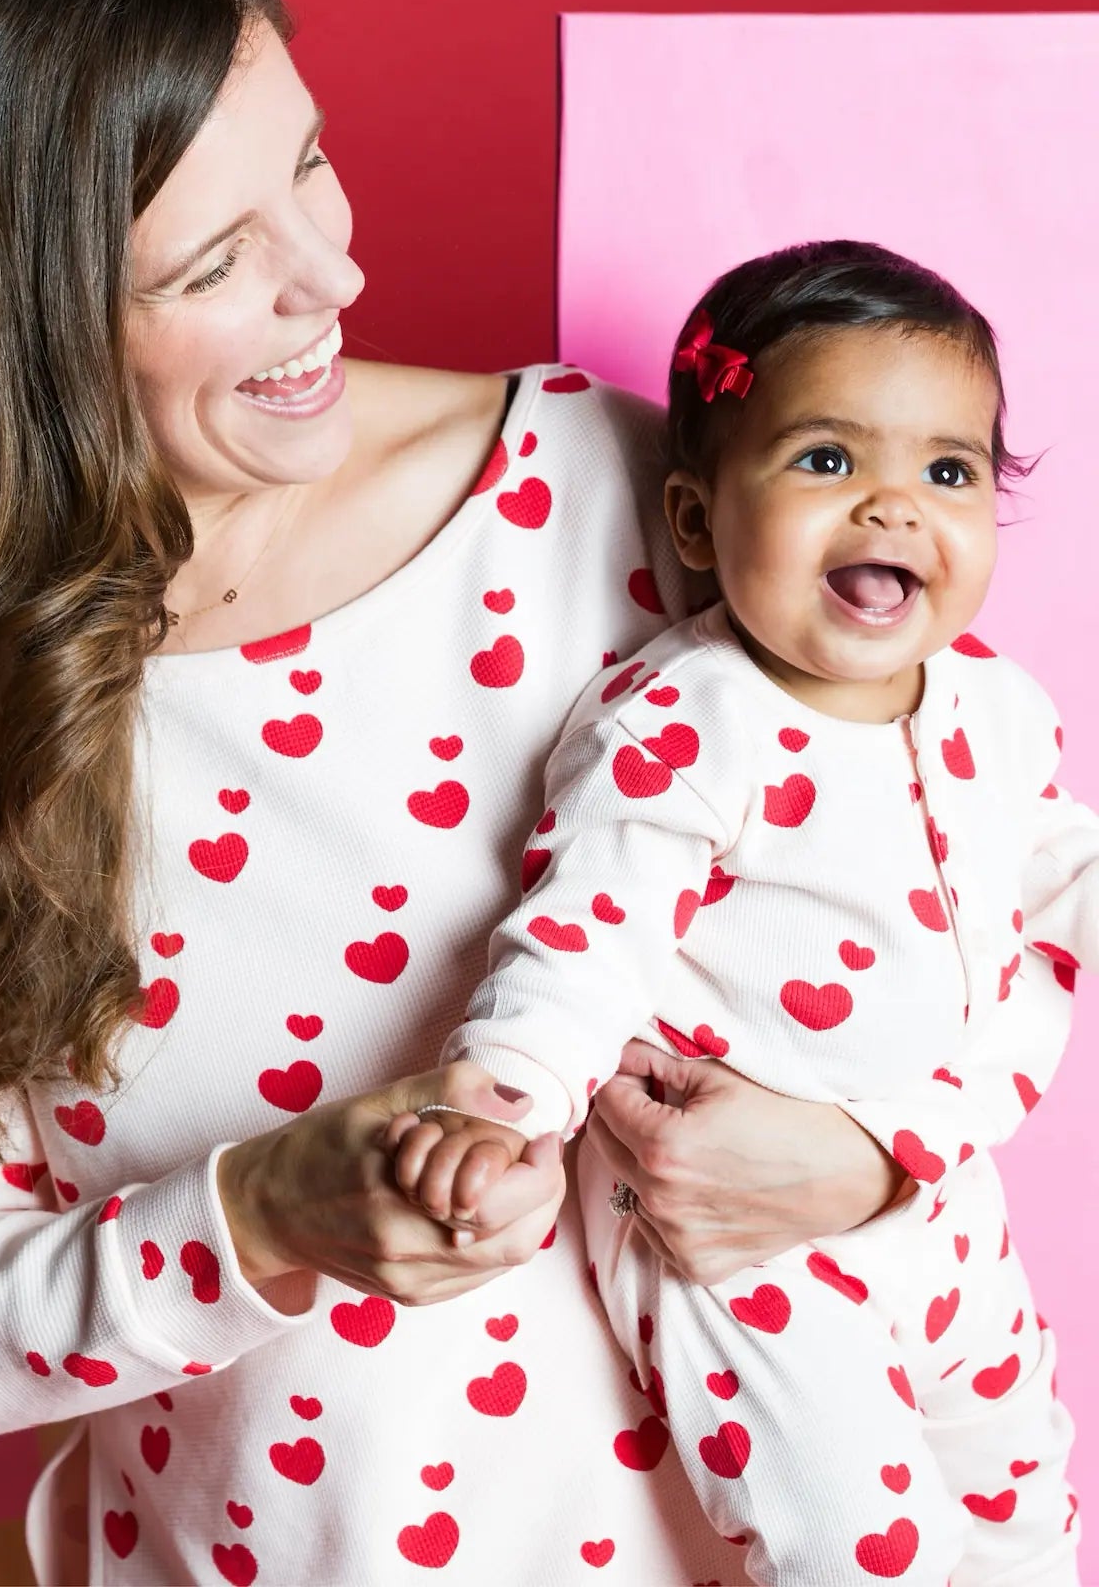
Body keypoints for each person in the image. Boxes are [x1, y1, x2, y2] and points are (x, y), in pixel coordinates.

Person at [0, 0, 989, 1587]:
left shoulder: (649, 504)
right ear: (8, 332)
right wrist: (256, 1221)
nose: (336, 273)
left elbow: (974, 904)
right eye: (214, 259)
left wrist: (870, 1161)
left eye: (311, 164)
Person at [387, 241, 1084, 1585]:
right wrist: (500, 1101)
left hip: (939, 1198)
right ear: (700, 524)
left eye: (948, 472)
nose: (893, 507)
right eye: (827, 461)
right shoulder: (688, 721)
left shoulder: (993, 699)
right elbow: (581, 938)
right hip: (738, 1243)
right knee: (855, 1549)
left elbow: (1046, 847)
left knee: (1020, 1494)